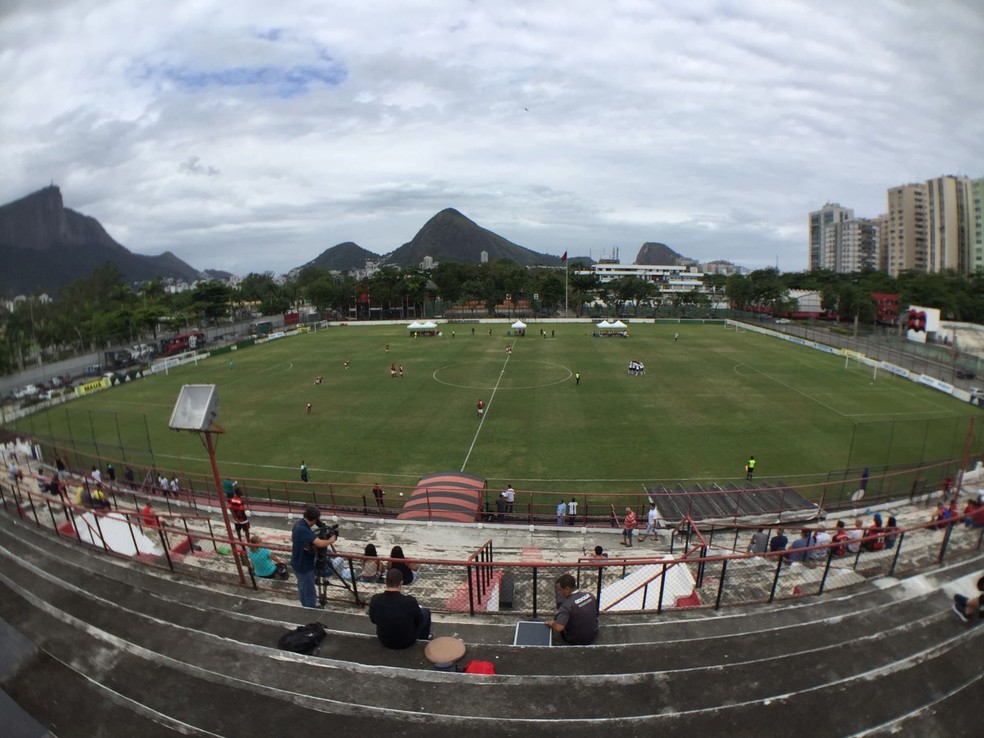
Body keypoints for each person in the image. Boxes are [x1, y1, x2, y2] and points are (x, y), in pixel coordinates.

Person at [368, 568, 432, 648]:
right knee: (426, 612)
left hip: (384, 640)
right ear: (401, 583)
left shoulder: (375, 599)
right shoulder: (410, 601)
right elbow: (419, 620)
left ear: (385, 581)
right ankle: (423, 639)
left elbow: (373, 620)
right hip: (407, 641)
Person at [290, 506, 336, 608]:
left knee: (304, 588)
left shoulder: (298, 524)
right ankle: (310, 610)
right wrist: (331, 540)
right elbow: (320, 543)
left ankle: (308, 606)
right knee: (308, 591)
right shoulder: (304, 530)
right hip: (304, 565)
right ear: (315, 519)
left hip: (298, 561)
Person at [546, 573, 599, 645]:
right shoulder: (590, 595)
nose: (560, 593)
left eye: (560, 590)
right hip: (593, 636)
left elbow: (559, 627)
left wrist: (552, 623)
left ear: (567, 589)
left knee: (558, 621)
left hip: (576, 640)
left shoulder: (566, 605)